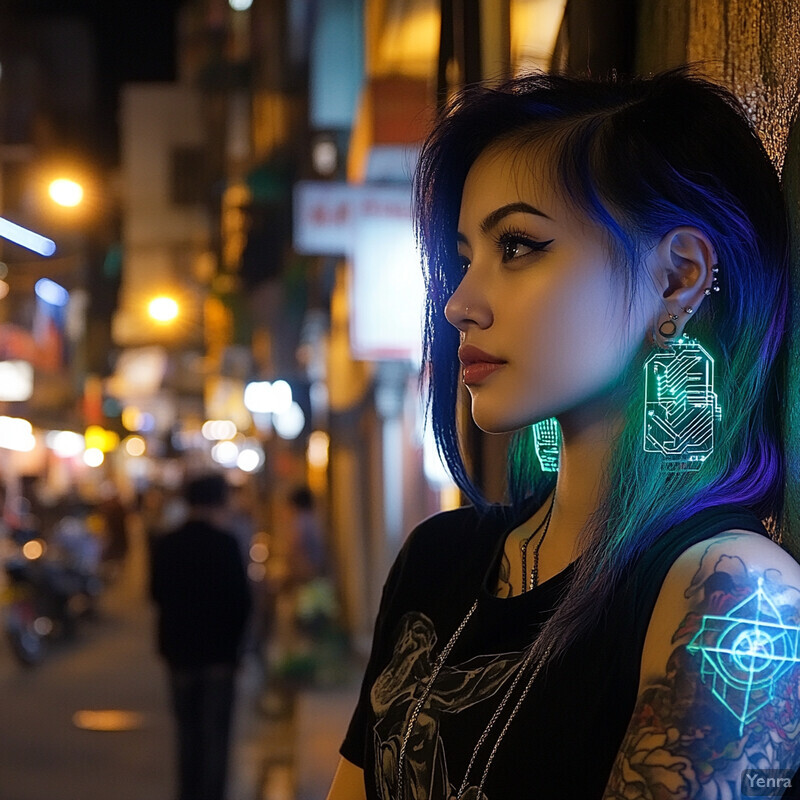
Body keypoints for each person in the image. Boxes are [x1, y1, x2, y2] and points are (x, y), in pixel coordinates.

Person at [326, 66, 800, 800]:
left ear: (678, 277)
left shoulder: (736, 600)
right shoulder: (437, 559)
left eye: (517, 246)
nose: (458, 304)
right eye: (463, 258)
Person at [150, 473, 252, 800]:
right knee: (216, 737)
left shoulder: (167, 543)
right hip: (219, 656)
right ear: (219, 501)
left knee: (188, 734)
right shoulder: (226, 544)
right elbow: (242, 602)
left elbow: (156, 593)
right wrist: (239, 648)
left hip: (179, 655)